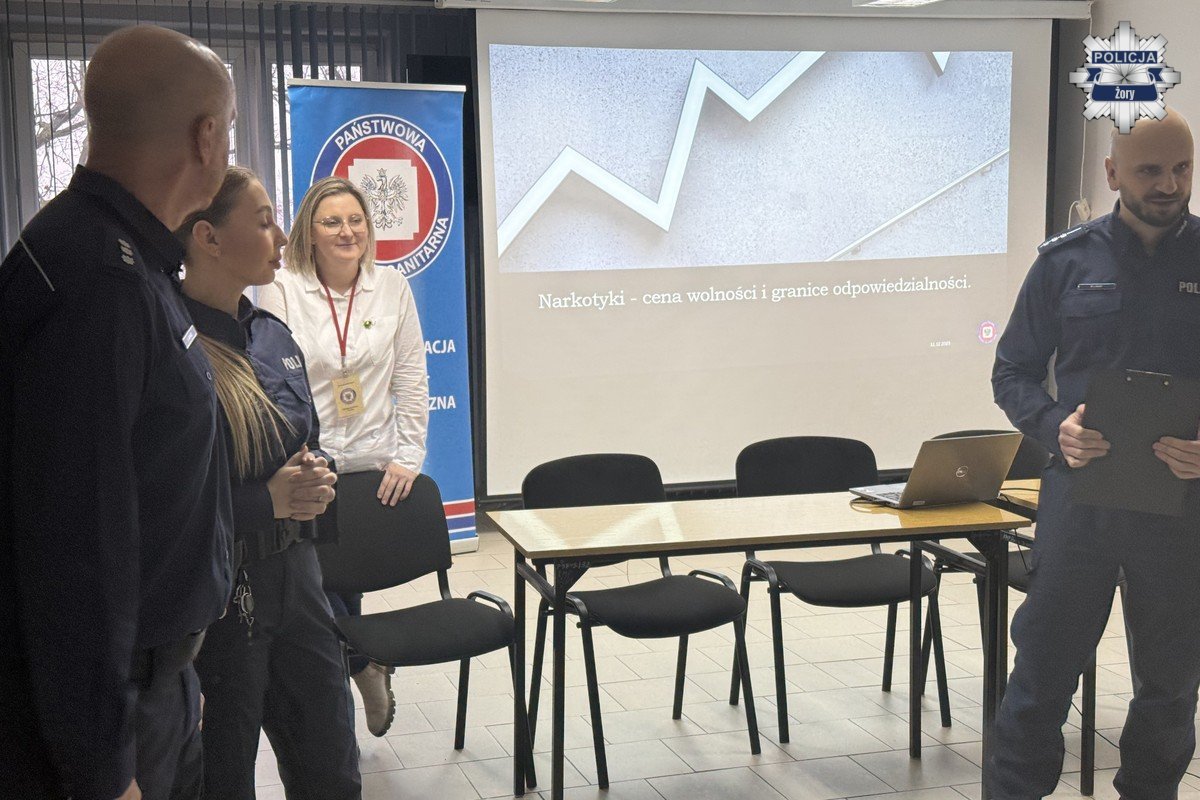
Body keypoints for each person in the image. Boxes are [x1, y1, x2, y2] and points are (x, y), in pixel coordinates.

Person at [0, 26, 236, 800]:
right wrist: (106, 765)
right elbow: (77, 544)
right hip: (116, 713)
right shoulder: (101, 281)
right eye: (230, 128)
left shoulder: (127, 255)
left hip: (154, 684)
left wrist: (180, 674)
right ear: (205, 137)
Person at [990, 108, 1200, 799]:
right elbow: (1012, 372)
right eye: (1150, 170)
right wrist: (1055, 427)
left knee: (1170, 689)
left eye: (1182, 168)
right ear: (1112, 173)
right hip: (1082, 502)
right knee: (1040, 679)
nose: (1169, 184)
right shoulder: (1065, 262)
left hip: (1182, 507)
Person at [177, 166, 361, 800]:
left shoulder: (271, 334)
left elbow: (306, 437)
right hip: (221, 600)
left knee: (331, 767)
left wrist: (317, 476)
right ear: (208, 238)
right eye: (262, 222)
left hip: (300, 583)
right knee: (223, 777)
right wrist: (265, 502)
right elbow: (158, 500)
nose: (282, 237)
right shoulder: (172, 346)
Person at [257, 176, 428, 737]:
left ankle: (355, 679)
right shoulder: (283, 288)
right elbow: (271, 381)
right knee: (317, 589)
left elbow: (411, 376)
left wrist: (409, 455)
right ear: (309, 231)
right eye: (331, 221)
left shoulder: (392, 286)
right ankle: (359, 673)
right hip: (310, 463)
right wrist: (292, 454)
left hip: (373, 462)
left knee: (347, 583)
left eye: (356, 220)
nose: (346, 231)